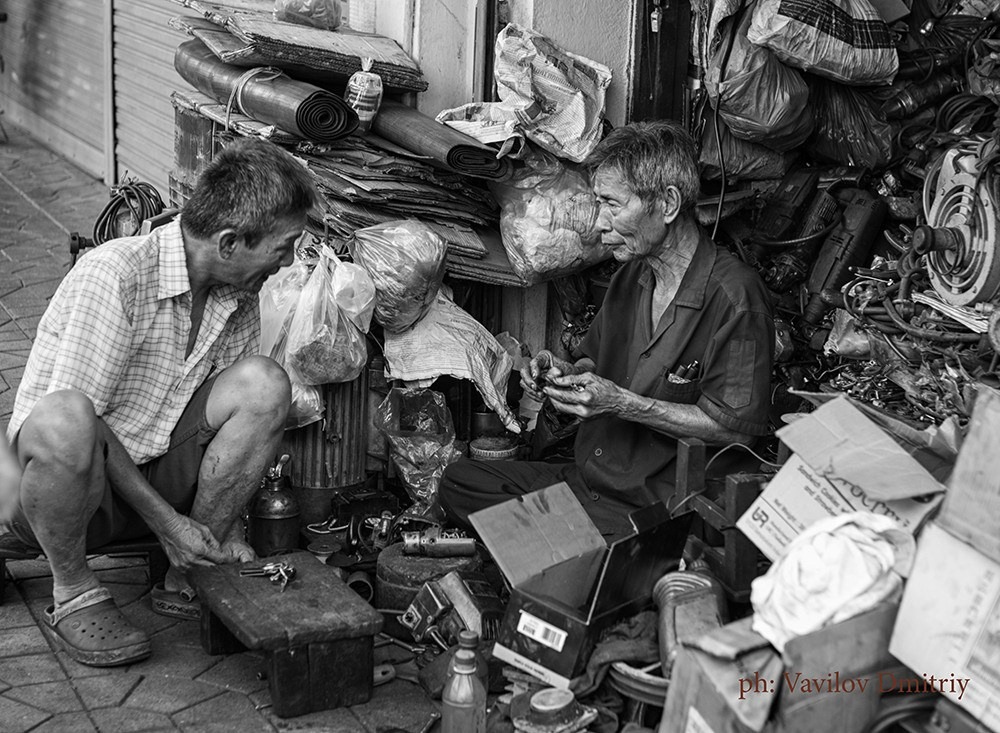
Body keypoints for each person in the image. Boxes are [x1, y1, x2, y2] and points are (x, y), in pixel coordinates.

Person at [2, 138, 317, 667]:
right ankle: (73, 588)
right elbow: (83, 429)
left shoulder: (236, 292)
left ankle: (188, 568)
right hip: (68, 492)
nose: (287, 263)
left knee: (265, 384)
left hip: (150, 482)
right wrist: (170, 525)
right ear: (230, 241)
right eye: (283, 247)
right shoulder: (116, 274)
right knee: (67, 418)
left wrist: (225, 528)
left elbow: (218, 425)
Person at [440, 121, 774, 538]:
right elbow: (592, 360)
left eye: (612, 205)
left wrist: (622, 404)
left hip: (662, 502)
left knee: (616, 549)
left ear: (667, 204)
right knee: (459, 481)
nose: (599, 223)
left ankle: (580, 552)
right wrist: (557, 371)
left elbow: (731, 426)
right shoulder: (632, 275)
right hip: (593, 481)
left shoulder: (735, 297)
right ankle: (573, 546)